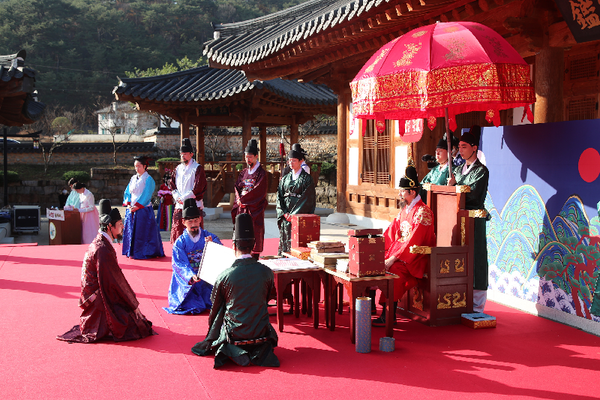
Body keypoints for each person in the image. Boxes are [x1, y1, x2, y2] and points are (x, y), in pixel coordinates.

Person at [57, 199, 154, 343]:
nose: (122, 228)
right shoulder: (102, 249)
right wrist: (133, 304)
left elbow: (113, 278)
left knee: (134, 318)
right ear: (110, 226)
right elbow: (114, 281)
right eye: (120, 225)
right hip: (97, 297)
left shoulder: (101, 241)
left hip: (98, 290)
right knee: (136, 325)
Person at [191, 213, 279, 368]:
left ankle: (235, 351)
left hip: (236, 333)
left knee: (222, 307)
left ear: (233, 245)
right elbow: (269, 297)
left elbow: (215, 305)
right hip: (261, 332)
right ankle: (256, 350)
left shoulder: (225, 276)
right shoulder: (266, 271)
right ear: (254, 245)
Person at [372, 166, 436, 327]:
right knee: (372, 262)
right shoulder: (405, 210)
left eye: (402, 191)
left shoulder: (423, 212)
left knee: (392, 272)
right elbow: (391, 233)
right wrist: (375, 247)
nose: (399, 194)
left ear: (412, 192)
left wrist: (393, 259)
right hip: (400, 254)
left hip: (415, 258)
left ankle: (389, 315)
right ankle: (370, 307)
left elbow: (414, 241)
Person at [448, 125, 490, 313]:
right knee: (459, 258)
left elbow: (473, 196)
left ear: (474, 148)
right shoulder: (456, 171)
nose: (461, 150)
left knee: (477, 258)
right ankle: (458, 299)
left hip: (473, 221)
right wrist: (450, 186)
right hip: (457, 220)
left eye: (465, 146)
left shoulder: (481, 171)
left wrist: (457, 187)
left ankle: (477, 305)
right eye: (460, 146)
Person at [164, 198, 222, 315]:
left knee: (217, 302)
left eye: (196, 221)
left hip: (206, 281)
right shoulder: (180, 243)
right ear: (183, 222)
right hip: (190, 282)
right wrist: (191, 276)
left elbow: (220, 255)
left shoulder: (210, 237)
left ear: (200, 220)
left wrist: (212, 246)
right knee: (193, 306)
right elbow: (180, 264)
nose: (194, 225)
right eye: (190, 222)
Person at [276, 144, 316, 256]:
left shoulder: (307, 179)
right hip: (286, 216)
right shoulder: (285, 179)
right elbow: (279, 196)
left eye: (294, 160)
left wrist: (293, 215)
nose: (291, 163)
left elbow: (308, 198)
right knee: (285, 242)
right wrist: (284, 212)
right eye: (289, 161)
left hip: (298, 217)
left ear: (300, 161)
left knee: (298, 243)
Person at [122, 156, 164, 259]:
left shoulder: (148, 179)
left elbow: (147, 194)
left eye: (139, 166)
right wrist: (128, 204)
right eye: (135, 166)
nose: (137, 169)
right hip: (131, 208)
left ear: (145, 166)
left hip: (143, 209)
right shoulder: (133, 178)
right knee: (131, 231)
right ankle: (131, 251)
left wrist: (137, 206)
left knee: (142, 232)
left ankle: (145, 252)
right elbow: (127, 192)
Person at [231, 139, 268, 259]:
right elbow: (237, 186)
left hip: (254, 209)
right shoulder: (243, 173)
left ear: (256, 156)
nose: (248, 159)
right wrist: (238, 199)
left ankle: (254, 258)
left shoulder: (261, 174)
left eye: (250, 157)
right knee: (240, 232)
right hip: (242, 207)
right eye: (246, 157)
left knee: (254, 232)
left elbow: (259, 191)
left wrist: (244, 200)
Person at [168, 138, 207, 243]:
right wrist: (176, 197)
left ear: (191, 154)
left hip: (193, 204)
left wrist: (184, 198)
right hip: (179, 204)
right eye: (181, 154)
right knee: (178, 230)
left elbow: (198, 187)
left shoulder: (197, 168)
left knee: (194, 230)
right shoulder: (177, 169)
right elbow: (172, 184)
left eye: (185, 154)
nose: (183, 156)